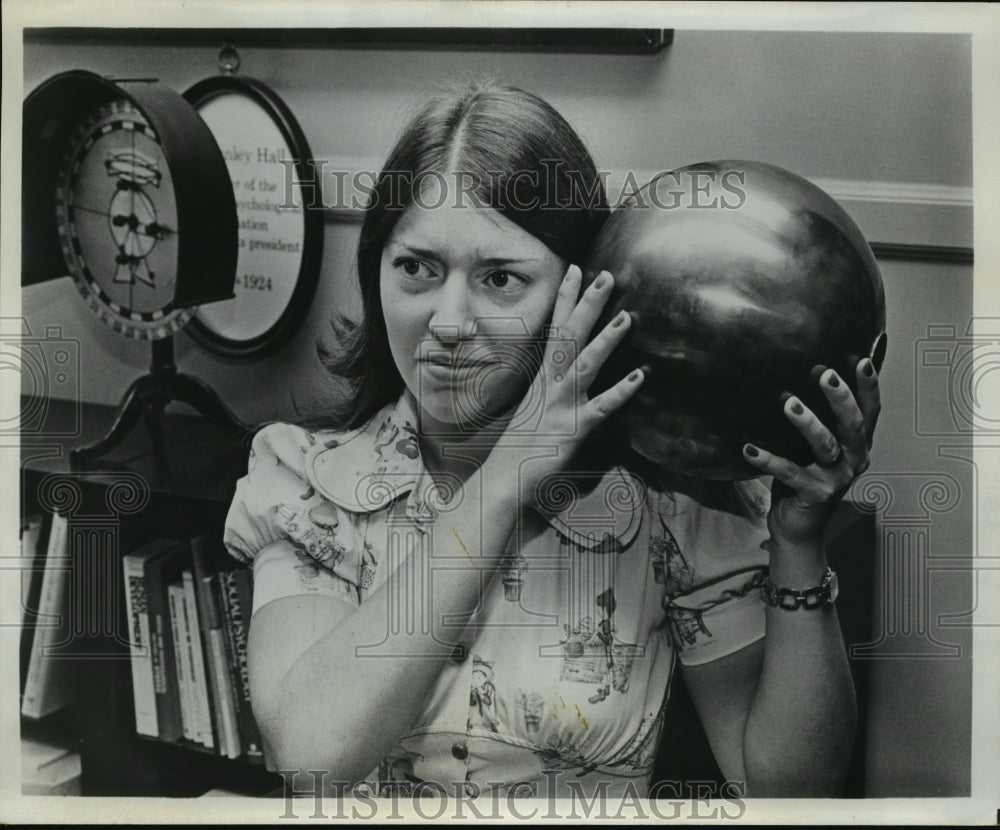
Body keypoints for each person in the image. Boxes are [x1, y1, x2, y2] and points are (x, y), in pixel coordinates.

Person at [223, 82, 880, 800]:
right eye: (416, 268)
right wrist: (507, 476)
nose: (448, 321)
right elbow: (311, 751)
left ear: (582, 296)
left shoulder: (673, 504)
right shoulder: (307, 480)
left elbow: (789, 792)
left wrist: (798, 543)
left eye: (501, 279)